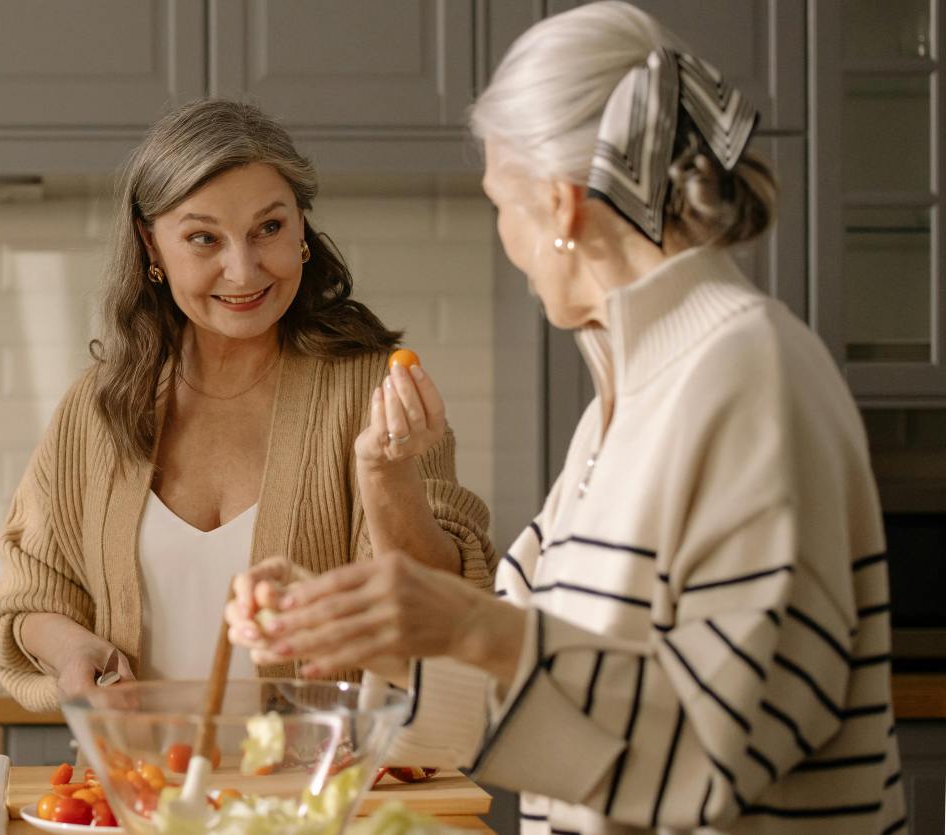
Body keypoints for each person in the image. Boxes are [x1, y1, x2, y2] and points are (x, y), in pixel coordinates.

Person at [225, 3, 906, 832]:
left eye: (501, 204)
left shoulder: (750, 371)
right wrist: (356, 625)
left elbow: (730, 744)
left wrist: (473, 624)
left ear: (559, 208)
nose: (506, 235)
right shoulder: (618, 409)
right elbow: (519, 690)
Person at [0, 99, 496, 712]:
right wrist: (70, 651)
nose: (244, 269)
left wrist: (389, 477)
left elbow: (440, 606)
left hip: (318, 797)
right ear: (151, 246)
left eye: (269, 228)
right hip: (141, 795)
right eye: (204, 238)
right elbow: (32, 594)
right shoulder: (97, 407)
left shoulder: (375, 392)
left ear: (301, 227)